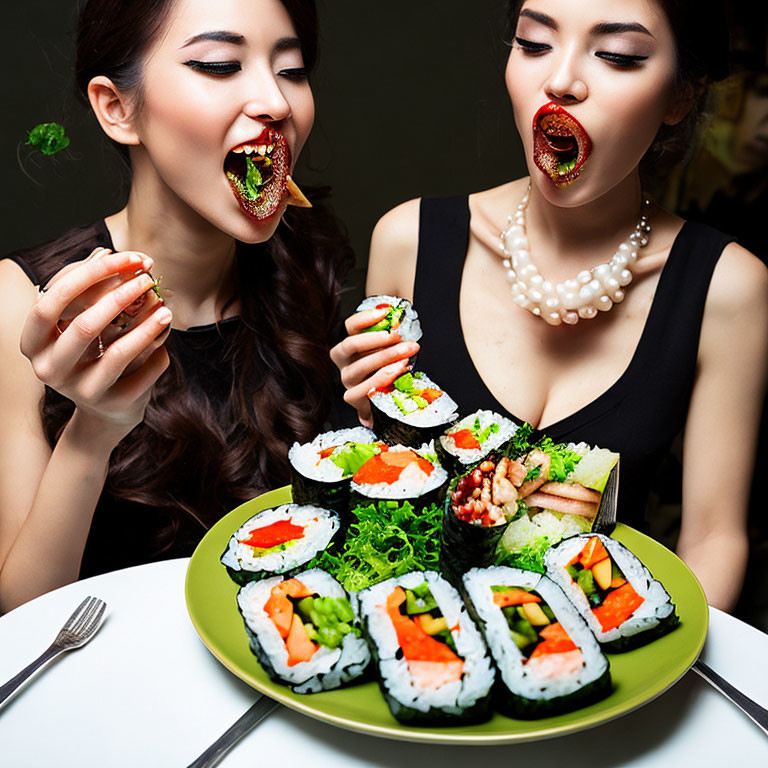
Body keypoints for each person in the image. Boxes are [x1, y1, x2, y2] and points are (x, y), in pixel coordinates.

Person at [331, 0, 768, 612]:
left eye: (617, 55)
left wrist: (661, 671)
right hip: (422, 640)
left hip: (605, 659)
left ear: (681, 96)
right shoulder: (409, 239)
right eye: (534, 43)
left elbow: (714, 538)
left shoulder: (728, 286)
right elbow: (380, 485)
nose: (560, 80)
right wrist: (362, 422)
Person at [0, 0, 352, 611]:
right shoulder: (26, 300)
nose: (276, 102)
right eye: (220, 65)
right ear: (118, 108)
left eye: (291, 69)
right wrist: (94, 433)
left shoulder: (306, 270)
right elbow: (23, 613)